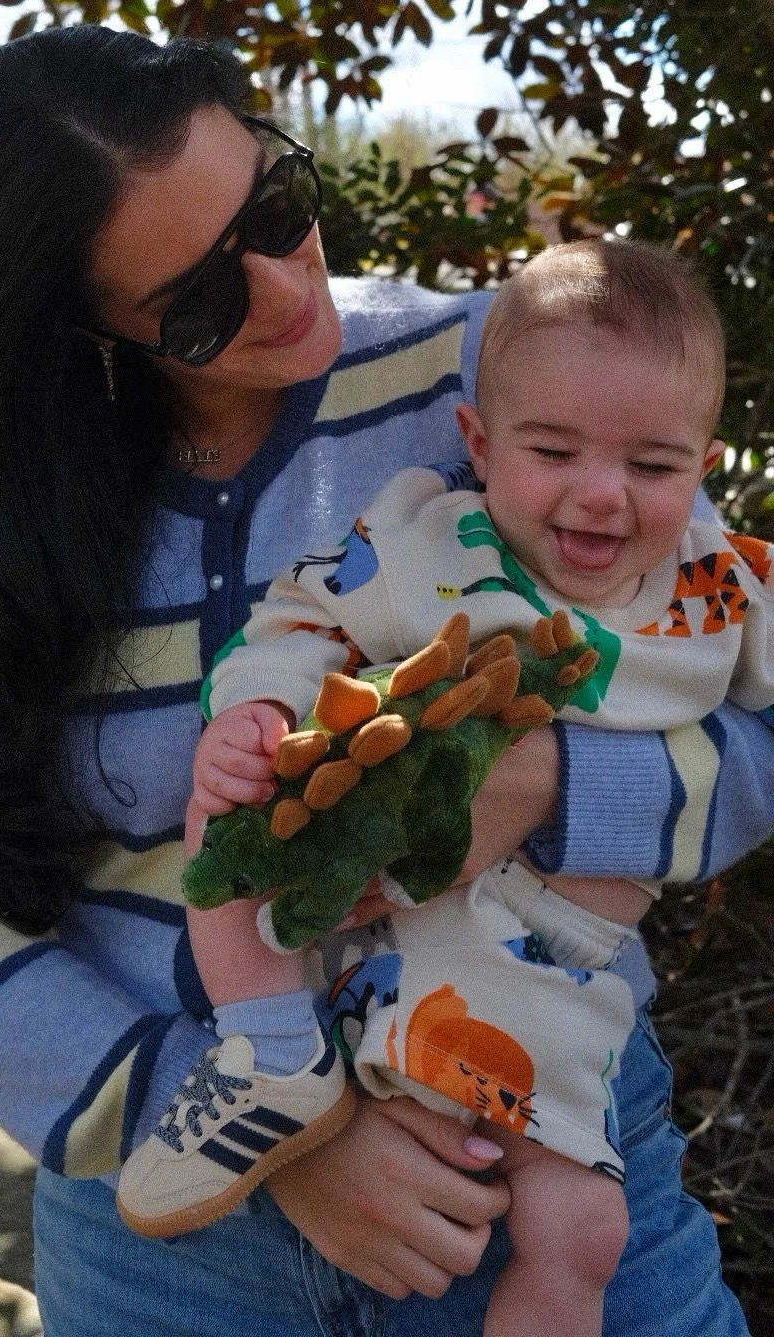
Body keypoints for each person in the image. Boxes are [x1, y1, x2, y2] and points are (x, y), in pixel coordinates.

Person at [0, 24, 774, 1337]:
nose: (286, 291)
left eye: (275, 212)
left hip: (538, 1157)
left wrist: (557, 788)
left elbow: (736, 689)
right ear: (75, 327)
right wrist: (271, 1133)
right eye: (198, 302)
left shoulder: (497, 374)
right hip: (172, 1236)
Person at [114, 240, 774, 1337]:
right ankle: (266, 1050)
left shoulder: (721, 591)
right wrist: (258, 712)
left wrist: (560, 789)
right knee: (228, 817)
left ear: (702, 466)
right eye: (551, 449)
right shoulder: (431, 538)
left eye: (654, 467)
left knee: (580, 1231)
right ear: (478, 441)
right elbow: (299, 616)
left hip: (549, 982)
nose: (602, 496)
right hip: (344, 934)